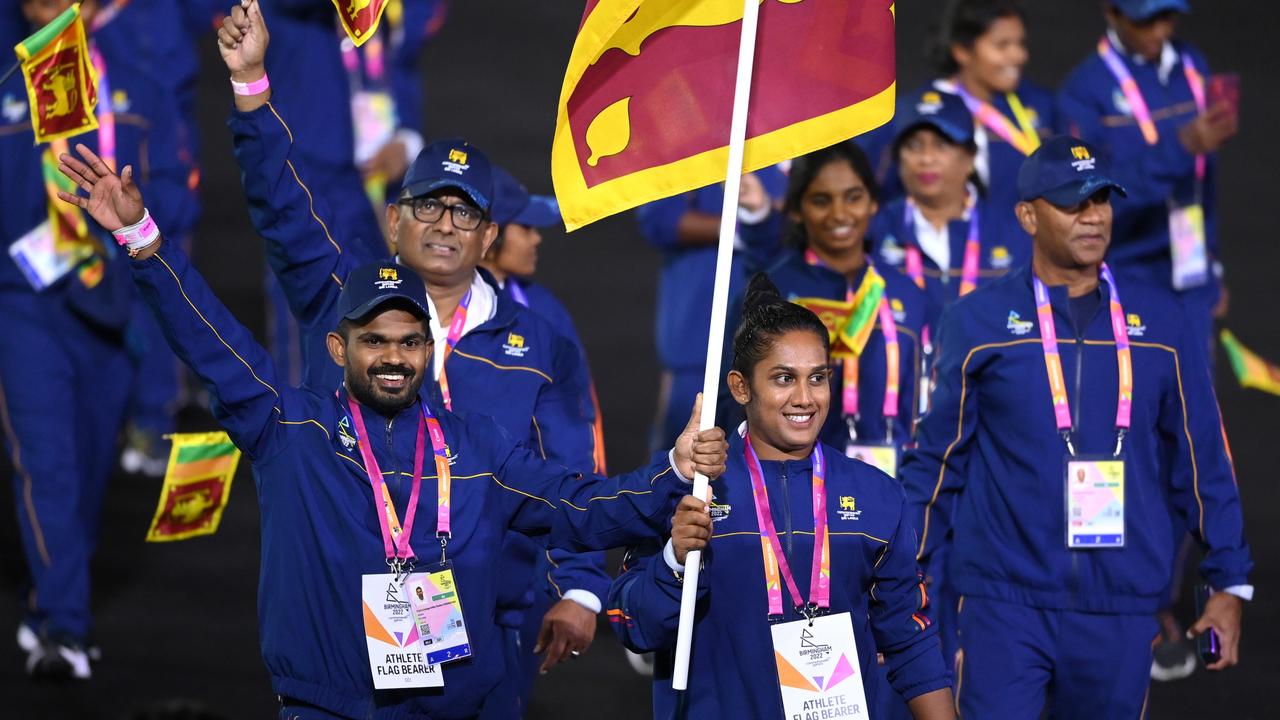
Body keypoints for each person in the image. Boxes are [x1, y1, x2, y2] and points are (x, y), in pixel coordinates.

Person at [57, 141, 728, 718]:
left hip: (454, 703)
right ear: (337, 351)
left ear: (428, 353)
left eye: (409, 342)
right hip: (328, 705)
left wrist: (668, 472)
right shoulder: (291, 428)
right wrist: (142, 238)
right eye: (374, 340)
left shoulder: (473, 449)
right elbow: (208, 337)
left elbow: (580, 506)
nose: (393, 357)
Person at [217, 4, 611, 713]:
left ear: (489, 236)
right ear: (393, 219)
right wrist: (251, 88)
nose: (443, 225)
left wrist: (581, 587)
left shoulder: (539, 341)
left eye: (463, 212)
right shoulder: (339, 295)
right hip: (348, 613)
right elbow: (281, 205)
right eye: (427, 205)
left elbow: (572, 470)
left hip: (493, 616)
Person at [900, 136, 1252, 719]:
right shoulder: (977, 323)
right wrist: (902, 576)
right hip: (1002, 603)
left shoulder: (1162, 323)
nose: (1093, 217)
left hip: (1120, 608)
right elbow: (936, 466)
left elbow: (1204, 460)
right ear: (1028, 216)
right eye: (1073, 203)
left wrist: (1229, 583)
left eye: (1103, 201)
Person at [608, 274, 953, 719]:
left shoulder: (875, 494)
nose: (805, 398)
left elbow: (910, 637)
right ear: (740, 387)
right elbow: (632, 626)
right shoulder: (689, 486)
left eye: (818, 378)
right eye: (784, 378)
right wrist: (674, 560)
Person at [3, 0, 195, 679]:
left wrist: (147, 223)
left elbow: (175, 188)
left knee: (85, 471)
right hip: (19, 297)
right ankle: (65, 629)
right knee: (47, 461)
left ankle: (49, 602)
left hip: (112, 298)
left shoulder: (134, 80)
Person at [1056, 0, 1237, 682]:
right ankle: (1104, 596)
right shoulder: (1083, 90)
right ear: (1111, 13)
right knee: (1111, 434)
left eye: (1168, 14)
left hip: (1186, 280)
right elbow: (1091, 199)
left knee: (1189, 440)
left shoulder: (1189, 65)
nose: (1159, 29)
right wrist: (1174, 147)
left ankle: (1159, 597)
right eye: (1145, 18)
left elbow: (1204, 181)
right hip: (1120, 279)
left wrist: (1210, 260)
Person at [482, 167, 615, 707]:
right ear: (488, 233)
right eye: (525, 227)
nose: (537, 238)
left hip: (517, 556)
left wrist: (581, 574)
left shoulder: (544, 314)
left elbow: (578, 438)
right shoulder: (403, 309)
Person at [741, 141, 927, 474]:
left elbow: (924, 405)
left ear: (873, 203)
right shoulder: (773, 290)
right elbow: (738, 404)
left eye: (853, 197)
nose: (840, 214)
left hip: (890, 483)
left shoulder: (908, 293)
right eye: (821, 200)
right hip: (792, 486)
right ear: (796, 209)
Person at [637, 168, 786, 453]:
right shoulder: (689, 135)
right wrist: (738, 228)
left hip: (773, 334)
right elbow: (658, 219)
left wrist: (763, 220)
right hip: (698, 339)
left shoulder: (804, 134)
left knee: (770, 463)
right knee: (682, 460)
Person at [872, 86, 1030, 322]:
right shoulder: (873, 233)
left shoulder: (1015, 235)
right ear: (898, 157)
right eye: (914, 146)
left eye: (941, 144)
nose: (926, 158)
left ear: (970, 156)